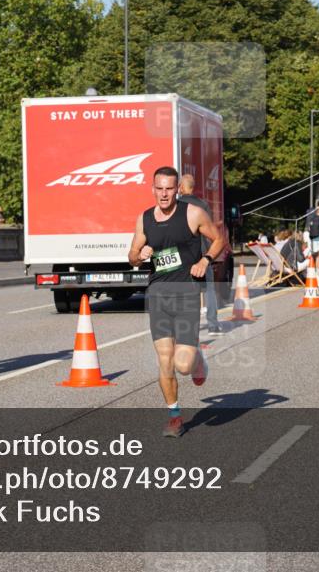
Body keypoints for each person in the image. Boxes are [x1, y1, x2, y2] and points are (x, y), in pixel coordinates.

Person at [129, 166, 226, 437]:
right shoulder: (145, 219)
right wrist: (140, 253)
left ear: (177, 189)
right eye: (159, 188)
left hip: (186, 293)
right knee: (164, 359)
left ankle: (197, 358)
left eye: (169, 189)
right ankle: (174, 416)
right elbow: (132, 255)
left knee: (183, 365)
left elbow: (218, 239)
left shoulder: (192, 214)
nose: (164, 194)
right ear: (152, 189)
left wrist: (205, 260)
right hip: (158, 294)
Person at [178, 174, 224, 335]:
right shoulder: (203, 205)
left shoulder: (176, 205)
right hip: (202, 252)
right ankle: (212, 325)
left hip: (183, 253)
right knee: (209, 289)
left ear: (181, 188)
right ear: (192, 187)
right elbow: (209, 229)